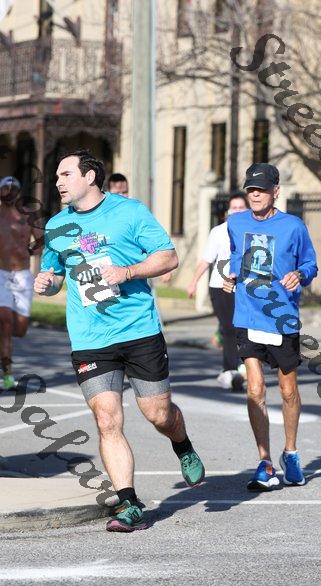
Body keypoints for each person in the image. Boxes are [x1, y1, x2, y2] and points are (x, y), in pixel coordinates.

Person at [34, 150, 205, 532]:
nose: (58, 182)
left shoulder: (130, 212)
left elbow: (168, 257)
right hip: (90, 337)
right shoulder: (57, 226)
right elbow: (55, 274)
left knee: (158, 414)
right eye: (57, 176)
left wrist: (127, 272)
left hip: (138, 330)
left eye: (65, 174)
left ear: (90, 176)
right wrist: (47, 283)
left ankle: (182, 444)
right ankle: (128, 503)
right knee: (107, 418)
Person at [223, 163, 318, 490]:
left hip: (282, 317)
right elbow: (235, 259)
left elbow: (310, 263)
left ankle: (290, 453)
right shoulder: (235, 223)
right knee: (255, 389)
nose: (255, 195)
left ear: (275, 191)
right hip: (247, 315)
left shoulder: (293, 227)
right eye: (251, 190)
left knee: (288, 391)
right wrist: (230, 277)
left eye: (261, 190)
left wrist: (300, 274)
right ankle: (264, 462)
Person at [187, 192, 248, 390]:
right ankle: (230, 371)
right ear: (228, 211)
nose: (237, 211)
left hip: (244, 287)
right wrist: (194, 282)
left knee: (243, 329)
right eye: (234, 207)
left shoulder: (252, 231)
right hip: (220, 286)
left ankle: (244, 367)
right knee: (229, 328)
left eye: (241, 207)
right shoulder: (218, 232)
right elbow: (206, 260)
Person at [0, 176, 43, 390]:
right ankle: (7, 375)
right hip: (1, 274)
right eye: (4, 189)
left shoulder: (29, 215)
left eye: (12, 188)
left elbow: (42, 241)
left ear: (18, 192)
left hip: (23, 275)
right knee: (5, 322)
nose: (8, 192)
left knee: (20, 330)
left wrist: (31, 250)